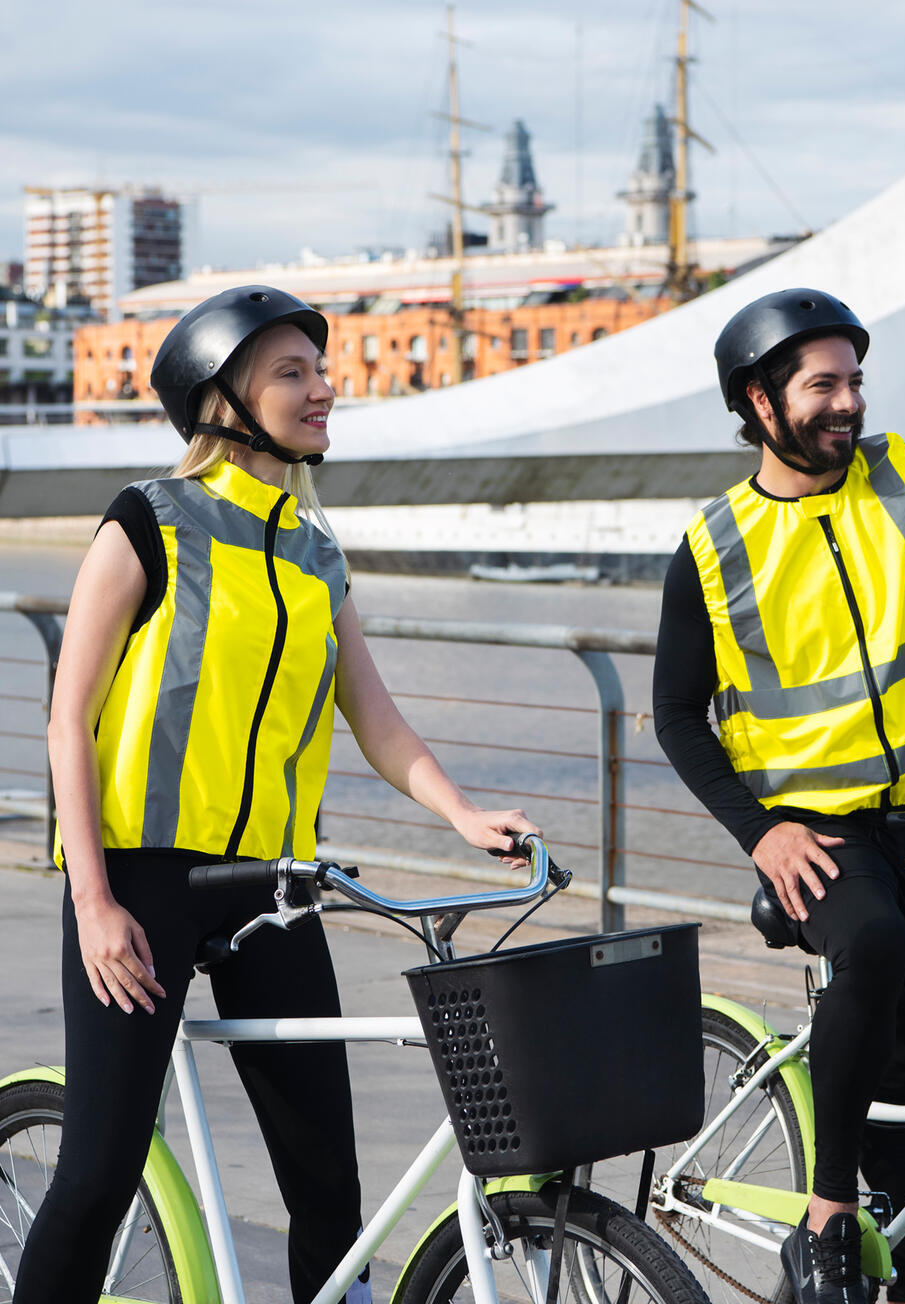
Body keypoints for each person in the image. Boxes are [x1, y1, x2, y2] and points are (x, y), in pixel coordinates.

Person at [14, 284, 540, 1304]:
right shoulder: (149, 523)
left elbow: (374, 718)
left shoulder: (313, 549)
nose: (321, 388)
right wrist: (93, 899)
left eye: (319, 368)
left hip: (276, 884)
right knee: (98, 1174)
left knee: (329, 1188)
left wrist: (463, 812)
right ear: (224, 399)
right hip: (140, 881)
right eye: (291, 372)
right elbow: (66, 716)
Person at [653, 286, 905, 1304]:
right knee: (873, 945)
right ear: (761, 402)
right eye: (822, 384)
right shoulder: (714, 548)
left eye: (854, 380)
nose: (847, 402)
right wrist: (759, 832)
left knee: (902, 1086)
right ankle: (823, 1213)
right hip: (815, 832)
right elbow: (677, 717)